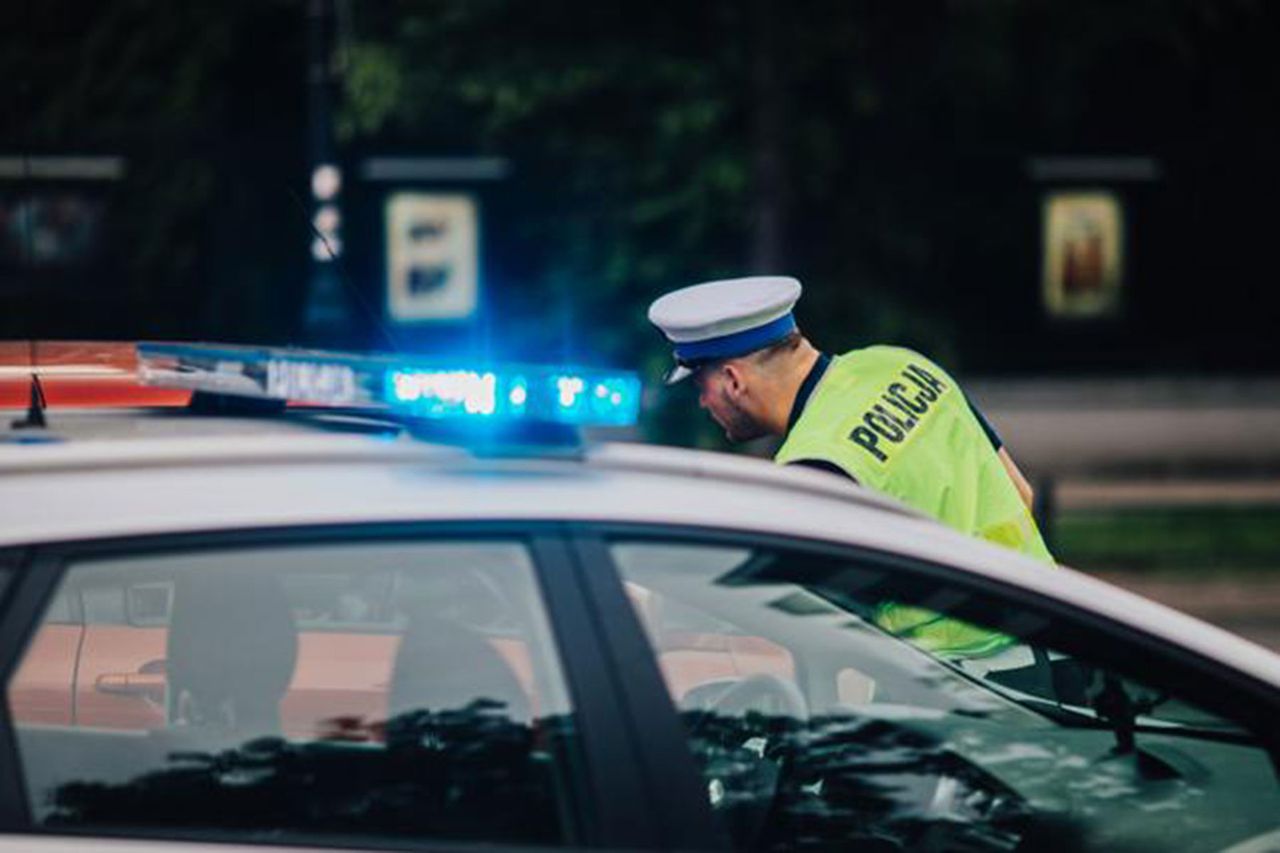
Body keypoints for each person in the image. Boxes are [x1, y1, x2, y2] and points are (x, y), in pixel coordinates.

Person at [648, 275, 1054, 660]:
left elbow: (818, 623)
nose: (703, 404)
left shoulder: (817, 465)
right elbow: (1020, 490)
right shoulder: (899, 363)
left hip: (967, 684)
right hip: (1055, 637)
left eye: (701, 387)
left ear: (734, 381)